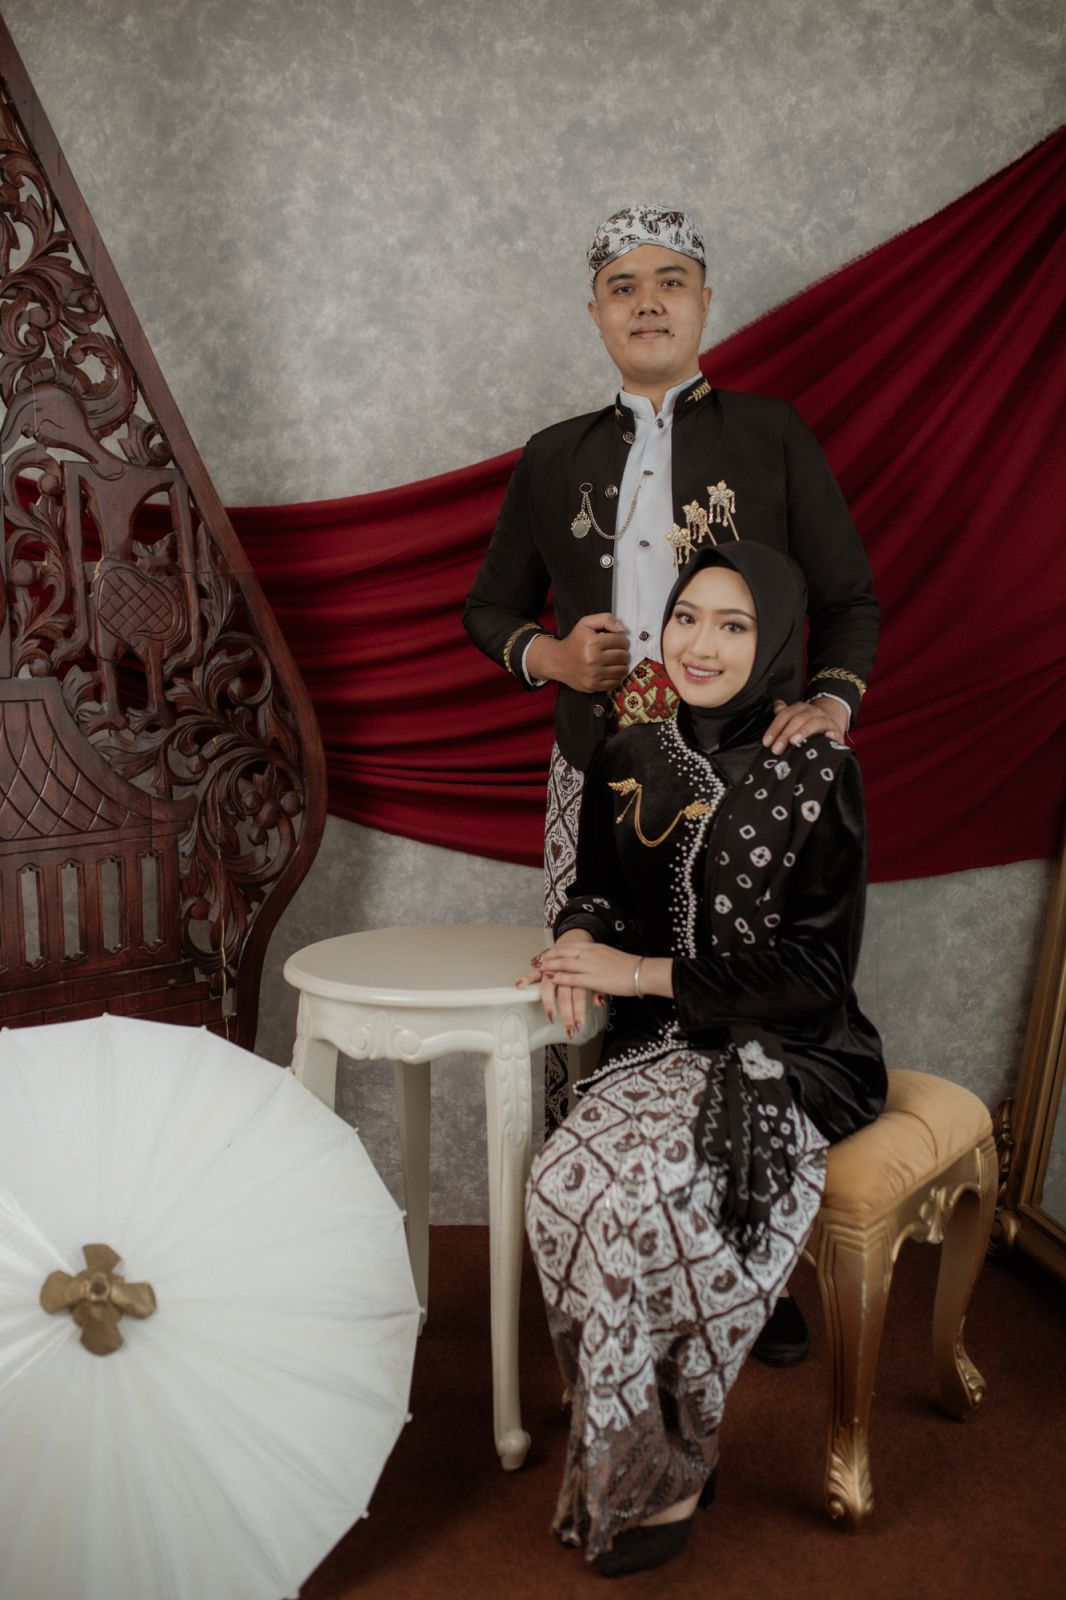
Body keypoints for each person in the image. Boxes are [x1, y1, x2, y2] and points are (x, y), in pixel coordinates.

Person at [464, 203, 879, 1363]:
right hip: (602, 765)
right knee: (595, 994)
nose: (647, 301)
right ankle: (607, 1253)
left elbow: (847, 597)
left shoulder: (772, 433)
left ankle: (748, 1256)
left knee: (753, 992)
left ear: (703, 303)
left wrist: (830, 701)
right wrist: (550, 657)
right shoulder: (553, 456)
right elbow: (489, 607)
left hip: (749, 769)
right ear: (595, 311)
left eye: (671, 281)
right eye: (622, 285)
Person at [517, 541, 886, 1576]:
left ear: (776, 641)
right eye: (687, 617)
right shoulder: (629, 749)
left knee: (653, 1187)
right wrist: (578, 942)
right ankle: (641, 1443)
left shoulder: (818, 768)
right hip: (658, 1049)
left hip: (786, 1051)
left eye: (734, 624)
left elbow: (817, 974)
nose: (702, 644)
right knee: (562, 1181)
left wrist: (634, 972)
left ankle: (669, 1469)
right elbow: (597, 887)